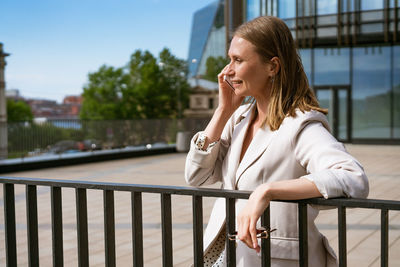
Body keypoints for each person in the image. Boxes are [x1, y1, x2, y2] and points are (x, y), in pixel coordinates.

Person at [185, 16, 369, 267]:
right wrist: (222, 112)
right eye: (230, 59)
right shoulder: (238, 118)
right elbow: (197, 176)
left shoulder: (300, 124)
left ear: (273, 66)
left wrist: (268, 191)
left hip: (274, 258)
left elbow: (353, 177)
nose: (227, 71)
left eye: (238, 60)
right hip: (227, 255)